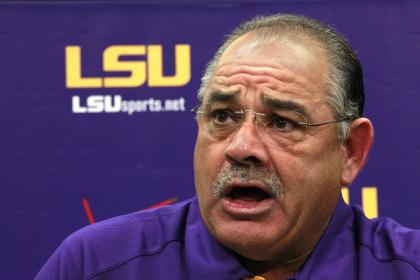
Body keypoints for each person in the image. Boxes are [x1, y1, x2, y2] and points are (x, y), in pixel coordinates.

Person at [36, 14, 420, 280]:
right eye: (222, 117)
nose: (242, 146)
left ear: (350, 151)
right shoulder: (95, 264)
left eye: (282, 122)